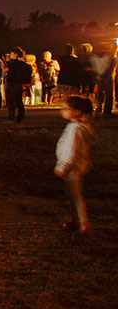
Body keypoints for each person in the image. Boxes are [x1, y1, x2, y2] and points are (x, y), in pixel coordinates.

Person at [56, 96, 95, 233]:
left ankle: (83, 223)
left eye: (66, 108)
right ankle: (76, 220)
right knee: (72, 194)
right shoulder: (77, 127)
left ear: (77, 112)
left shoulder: (75, 130)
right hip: (75, 166)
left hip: (72, 167)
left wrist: (62, 166)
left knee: (75, 195)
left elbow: (71, 150)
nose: (63, 111)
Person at [4, 47, 32, 123]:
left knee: (11, 102)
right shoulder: (23, 64)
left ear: (15, 54)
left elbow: (5, 70)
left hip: (11, 84)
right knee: (19, 101)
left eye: (11, 53)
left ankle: (11, 118)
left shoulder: (12, 63)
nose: (10, 55)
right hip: (19, 84)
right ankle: (20, 117)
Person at [90, 43, 114, 117]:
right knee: (108, 95)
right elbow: (111, 67)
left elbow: (92, 67)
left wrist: (96, 75)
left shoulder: (93, 57)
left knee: (99, 94)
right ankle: (107, 111)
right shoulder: (110, 57)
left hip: (97, 77)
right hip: (106, 77)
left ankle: (99, 109)